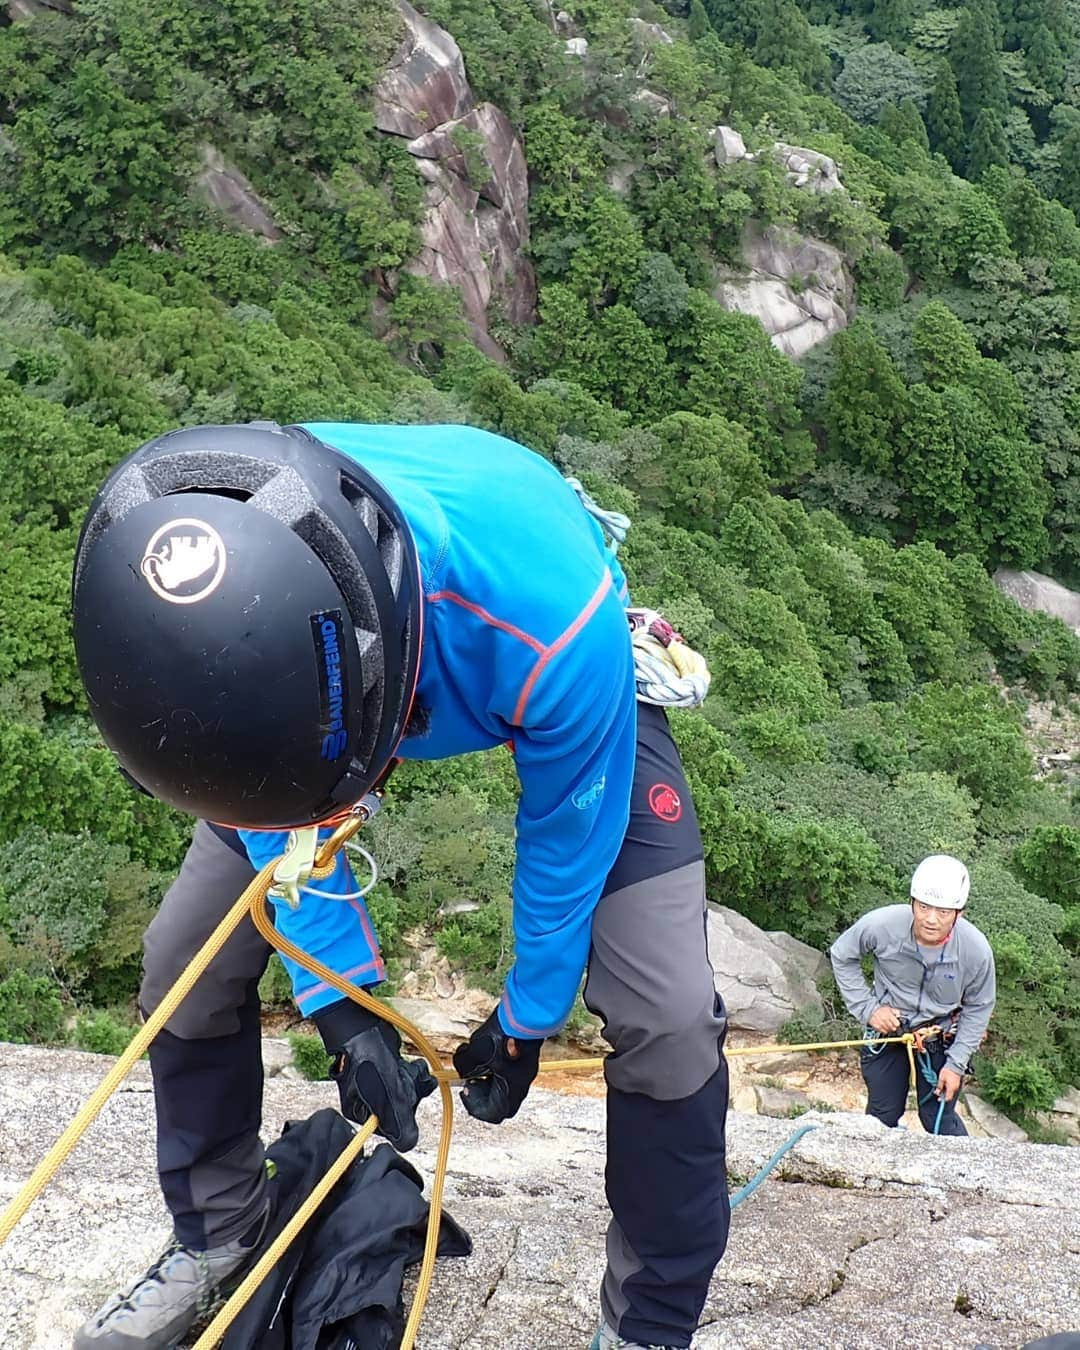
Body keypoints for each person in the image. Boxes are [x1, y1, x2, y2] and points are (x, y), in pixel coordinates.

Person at [70, 421, 729, 1350]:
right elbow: (271, 811)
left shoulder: (552, 621)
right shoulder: (215, 544)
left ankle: (650, 1328)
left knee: (666, 1015)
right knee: (185, 957)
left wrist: (526, 1017)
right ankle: (219, 1237)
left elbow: (565, 832)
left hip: (508, 649)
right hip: (270, 691)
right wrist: (340, 1004)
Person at [829, 855, 996, 1137]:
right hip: (888, 1028)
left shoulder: (975, 950)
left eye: (943, 912)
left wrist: (955, 1064)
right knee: (882, 1115)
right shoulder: (883, 925)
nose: (931, 919)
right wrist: (869, 1009)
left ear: (959, 913)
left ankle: (962, 1174)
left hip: (939, 1035)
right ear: (912, 903)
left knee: (938, 1118)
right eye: (924, 907)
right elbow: (842, 954)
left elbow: (979, 1006)